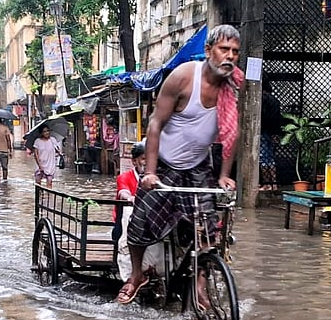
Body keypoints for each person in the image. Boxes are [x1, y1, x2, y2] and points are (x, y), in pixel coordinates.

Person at [117, 24, 241, 305]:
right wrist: (149, 172)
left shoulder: (233, 86)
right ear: (209, 51)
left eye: (235, 51)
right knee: (139, 224)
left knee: (209, 230)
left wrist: (224, 175)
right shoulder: (184, 78)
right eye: (224, 49)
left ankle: (200, 283)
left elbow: (233, 133)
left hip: (198, 166)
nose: (230, 57)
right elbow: (155, 124)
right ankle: (136, 276)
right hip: (164, 163)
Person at [114, 142, 164, 281]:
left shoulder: (157, 179)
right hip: (126, 222)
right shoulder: (125, 177)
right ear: (134, 161)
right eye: (143, 158)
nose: (147, 162)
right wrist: (130, 197)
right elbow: (123, 192)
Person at [260, 82, 281, 191]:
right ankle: (274, 183)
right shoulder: (275, 101)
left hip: (263, 130)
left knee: (263, 157)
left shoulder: (263, 99)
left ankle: (267, 183)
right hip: (272, 131)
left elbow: (263, 116)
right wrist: (276, 133)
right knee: (270, 158)